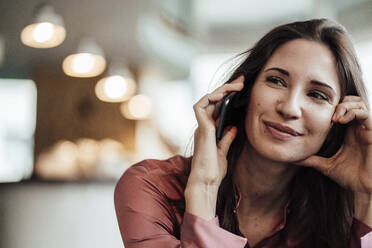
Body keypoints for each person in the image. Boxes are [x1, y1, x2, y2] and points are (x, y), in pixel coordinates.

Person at [114, 18, 372, 248]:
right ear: (243, 92)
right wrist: (204, 189)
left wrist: (368, 200)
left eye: (317, 95)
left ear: (340, 121)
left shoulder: (339, 208)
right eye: (277, 81)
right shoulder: (151, 186)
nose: (290, 108)